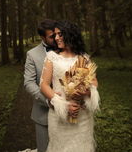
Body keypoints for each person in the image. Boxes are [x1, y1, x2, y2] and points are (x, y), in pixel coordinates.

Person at [40, 20, 100, 152]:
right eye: (55, 35)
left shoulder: (83, 58)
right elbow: (44, 85)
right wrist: (62, 104)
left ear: (70, 34)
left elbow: (94, 82)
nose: (56, 38)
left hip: (82, 116)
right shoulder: (52, 57)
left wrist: (86, 93)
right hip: (60, 117)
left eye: (60, 34)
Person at [23, 19, 57, 152]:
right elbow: (29, 83)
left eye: (56, 34)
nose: (56, 38)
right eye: (51, 36)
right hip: (43, 114)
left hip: (68, 116)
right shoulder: (32, 54)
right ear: (42, 37)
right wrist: (49, 100)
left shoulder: (66, 48)